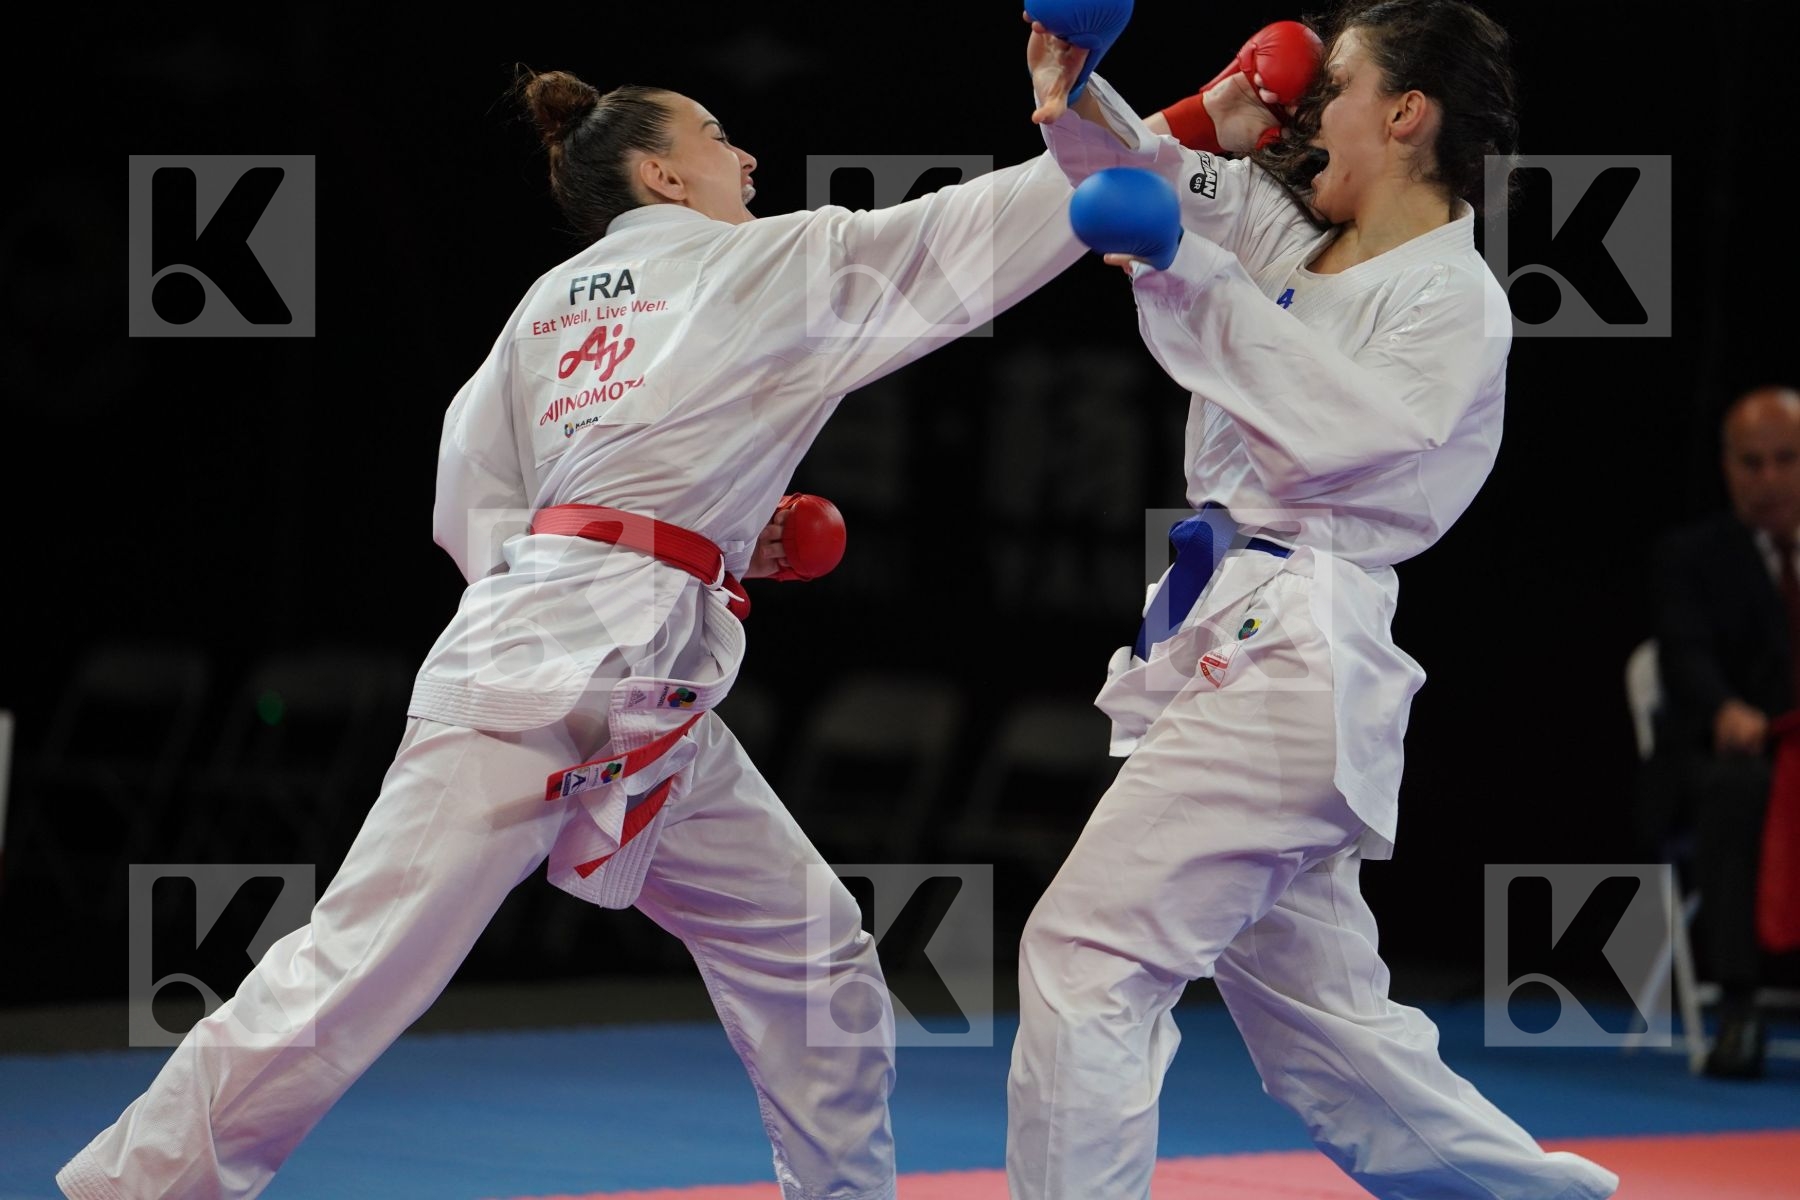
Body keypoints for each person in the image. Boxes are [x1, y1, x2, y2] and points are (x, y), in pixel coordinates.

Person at [56, 69, 1087, 1200]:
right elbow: (960, 233)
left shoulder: (544, 306)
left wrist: (694, 543)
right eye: (718, 136)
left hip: (626, 691)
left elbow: (473, 500)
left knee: (810, 947)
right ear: (660, 175)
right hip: (543, 683)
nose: (747, 159)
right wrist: (1172, 134)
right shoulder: (760, 260)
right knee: (352, 972)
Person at [1002, 2, 1622, 1197]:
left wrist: (1188, 271)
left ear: (1406, 114)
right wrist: (1070, 91)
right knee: (1328, 1034)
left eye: (1332, 88)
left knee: (1088, 954)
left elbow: (1342, 438)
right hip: (1231, 629)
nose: (1300, 110)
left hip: (1292, 651)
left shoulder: (1453, 299)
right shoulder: (1286, 231)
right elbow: (1146, 180)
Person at [1646, 384, 1800, 1079]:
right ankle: (1740, 1007)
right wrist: (1724, 709)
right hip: (1726, 758)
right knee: (1739, 785)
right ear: (1726, 466)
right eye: (1751, 462)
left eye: (1786, 460)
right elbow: (1684, 656)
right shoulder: (1690, 556)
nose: (1769, 479)